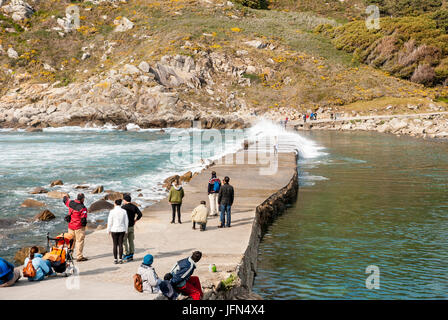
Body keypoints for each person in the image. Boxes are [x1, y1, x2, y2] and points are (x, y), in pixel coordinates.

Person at [63, 193, 88, 262]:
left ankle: (69, 255)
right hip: (78, 227)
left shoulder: (71, 203)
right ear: (82, 199)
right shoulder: (83, 208)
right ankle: (79, 256)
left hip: (70, 226)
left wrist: (65, 196)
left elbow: (65, 200)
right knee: (79, 241)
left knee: (71, 241)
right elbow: (83, 220)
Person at [107, 199, 129, 264]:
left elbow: (110, 221)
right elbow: (126, 221)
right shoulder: (124, 211)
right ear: (120, 204)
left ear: (115, 203)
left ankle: (115, 259)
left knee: (115, 244)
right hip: (122, 229)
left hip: (114, 229)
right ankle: (120, 259)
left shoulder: (112, 211)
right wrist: (126, 230)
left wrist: (108, 230)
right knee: (120, 245)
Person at [122, 194, 142, 262]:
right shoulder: (134, 206)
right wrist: (135, 220)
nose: (123, 201)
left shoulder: (123, 207)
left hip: (125, 227)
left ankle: (126, 254)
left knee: (124, 241)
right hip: (131, 226)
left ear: (125, 200)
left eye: (123, 200)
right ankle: (131, 255)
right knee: (131, 241)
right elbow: (140, 214)